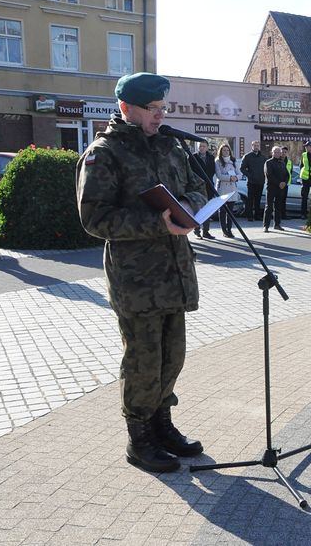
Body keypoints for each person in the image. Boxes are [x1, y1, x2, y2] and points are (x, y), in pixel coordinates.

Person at [76, 72, 206, 473]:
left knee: (173, 357)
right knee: (143, 361)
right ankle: (139, 438)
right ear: (125, 108)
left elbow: (199, 188)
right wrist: (158, 223)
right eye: (152, 109)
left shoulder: (170, 147)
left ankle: (162, 425)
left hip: (174, 272)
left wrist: (188, 205)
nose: (159, 115)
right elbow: (94, 218)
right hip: (136, 279)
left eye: (162, 108)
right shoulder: (106, 153)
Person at [214, 144, 241, 238]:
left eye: (227, 150)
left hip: (232, 188)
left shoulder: (233, 161)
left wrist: (236, 177)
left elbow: (240, 174)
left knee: (230, 212)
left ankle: (229, 229)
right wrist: (230, 178)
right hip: (222, 189)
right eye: (224, 150)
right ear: (220, 151)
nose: (226, 152)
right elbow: (219, 175)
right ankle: (224, 230)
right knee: (222, 211)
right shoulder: (217, 161)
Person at [192, 142, 216, 240]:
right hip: (197, 186)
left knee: (207, 209)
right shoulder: (193, 157)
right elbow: (191, 170)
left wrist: (207, 179)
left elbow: (213, 170)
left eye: (204, 146)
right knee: (197, 210)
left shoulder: (211, 157)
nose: (202, 148)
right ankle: (197, 230)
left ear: (207, 148)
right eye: (200, 146)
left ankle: (206, 231)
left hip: (208, 186)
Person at [263, 146, 290, 232]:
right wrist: (279, 183)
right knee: (269, 207)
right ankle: (266, 226)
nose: (278, 154)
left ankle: (277, 224)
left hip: (280, 188)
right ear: (272, 153)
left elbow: (287, 174)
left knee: (278, 207)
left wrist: (284, 182)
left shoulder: (282, 162)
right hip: (271, 188)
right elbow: (269, 175)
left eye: (279, 152)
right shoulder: (268, 162)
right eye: (276, 152)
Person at [240, 140, 266, 221]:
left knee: (258, 199)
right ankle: (249, 216)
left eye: (257, 145)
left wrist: (264, 177)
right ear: (252, 146)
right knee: (250, 200)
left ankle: (257, 216)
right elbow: (242, 168)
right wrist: (250, 175)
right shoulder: (247, 156)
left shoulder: (263, 157)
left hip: (261, 182)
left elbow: (266, 169)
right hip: (251, 182)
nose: (256, 147)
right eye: (255, 145)